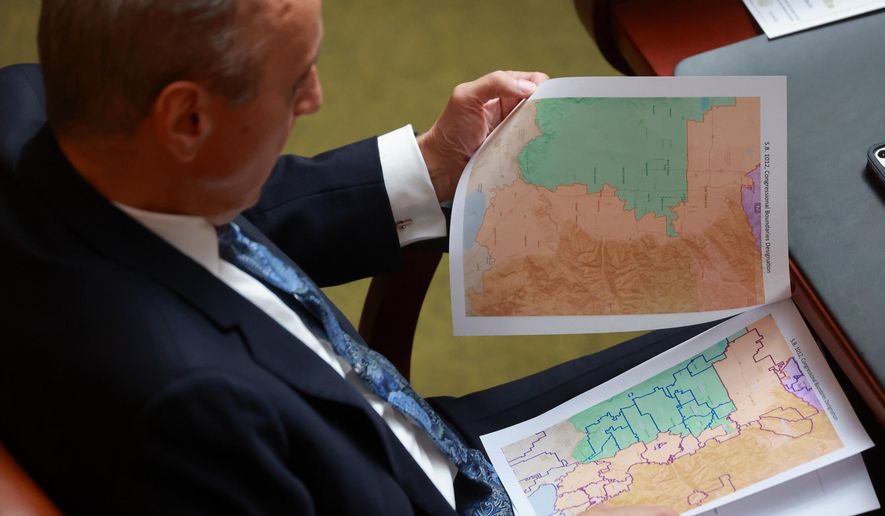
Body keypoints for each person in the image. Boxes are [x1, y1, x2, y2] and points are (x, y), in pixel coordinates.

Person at [0, 0, 717, 514]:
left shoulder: (34, 116)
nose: (315, 98)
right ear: (186, 119)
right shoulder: (190, 409)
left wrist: (429, 166)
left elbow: (220, 197)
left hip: (423, 439)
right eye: (295, 81)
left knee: (748, 341)